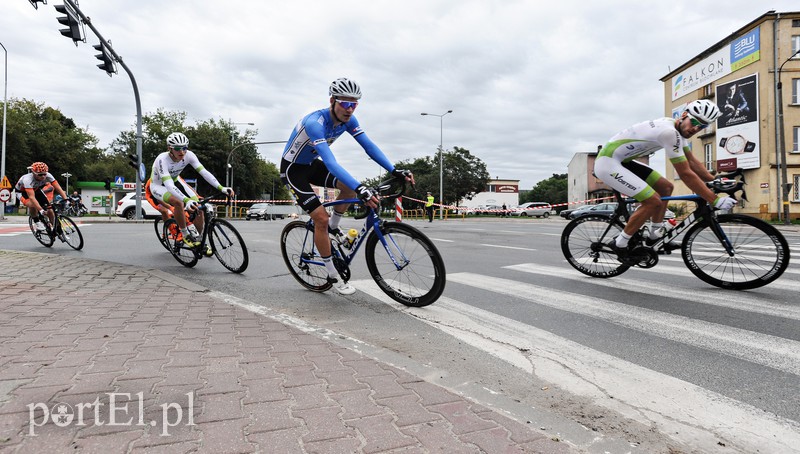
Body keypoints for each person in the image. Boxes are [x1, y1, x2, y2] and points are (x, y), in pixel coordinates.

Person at [280, 77, 415, 295]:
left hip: (312, 165)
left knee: (348, 188)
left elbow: (369, 147)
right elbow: (331, 162)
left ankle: (334, 226)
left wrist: (394, 170)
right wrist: (362, 187)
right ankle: (334, 275)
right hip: (293, 170)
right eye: (345, 103)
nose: (350, 109)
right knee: (320, 219)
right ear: (332, 100)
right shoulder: (315, 123)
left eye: (355, 104)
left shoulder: (349, 120)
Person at [594, 99, 736, 254]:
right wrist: (714, 200)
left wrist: (713, 180)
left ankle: (655, 235)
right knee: (652, 201)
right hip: (608, 163)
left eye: (702, 126)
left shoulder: (678, 131)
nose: (695, 128)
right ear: (684, 115)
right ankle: (620, 244)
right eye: (694, 122)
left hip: (623, 160)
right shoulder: (669, 133)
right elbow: (685, 174)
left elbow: (692, 162)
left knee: (666, 187)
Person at [149, 132, 233, 249]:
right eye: (178, 149)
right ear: (169, 148)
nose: (182, 152)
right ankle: (185, 234)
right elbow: (168, 185)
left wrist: (222, 188)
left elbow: (204, 172)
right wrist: (186, 200)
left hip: (175, 181)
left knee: (199, 206)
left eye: (184, 148)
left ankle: (198, 240)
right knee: (179, 202)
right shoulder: (162, 159)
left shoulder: (189, 155)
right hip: (159, 186)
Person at [14, 162, 69, 232]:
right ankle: (36, 221)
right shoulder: (27, 179)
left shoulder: (48, 175)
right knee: (32, 204)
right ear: (33, 173)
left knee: (50, 210)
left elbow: (58, 187)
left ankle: (56, 229)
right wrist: (41, 210)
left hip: (36, 189)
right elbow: (32, 197)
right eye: (40, 175)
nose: (43, 176)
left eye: (44, 174)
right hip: (22, 192)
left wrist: (66, 199)